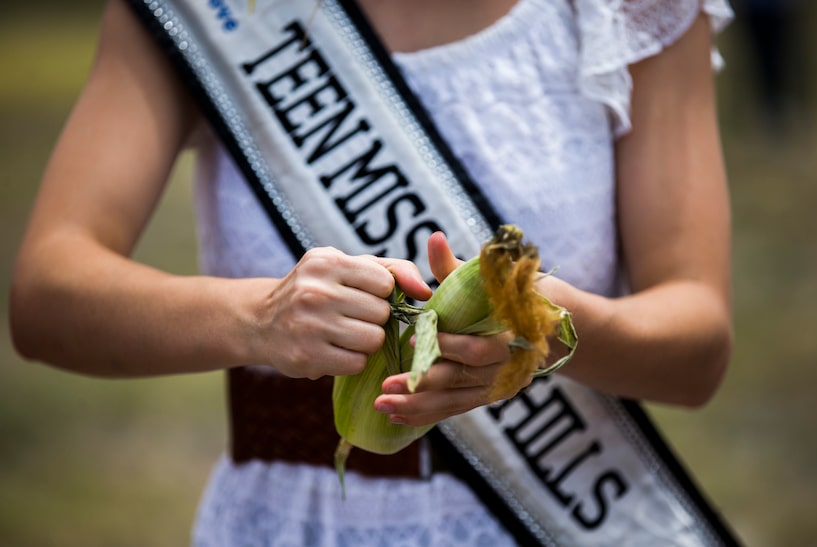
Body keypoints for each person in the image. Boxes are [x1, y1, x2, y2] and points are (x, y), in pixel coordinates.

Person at [9, 0, 735, 544]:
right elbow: (46, 297)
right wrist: (259, 317)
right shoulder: (213, 14)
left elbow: (699, 345)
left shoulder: (630, 11)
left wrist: (546, 324)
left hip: (566, 511)